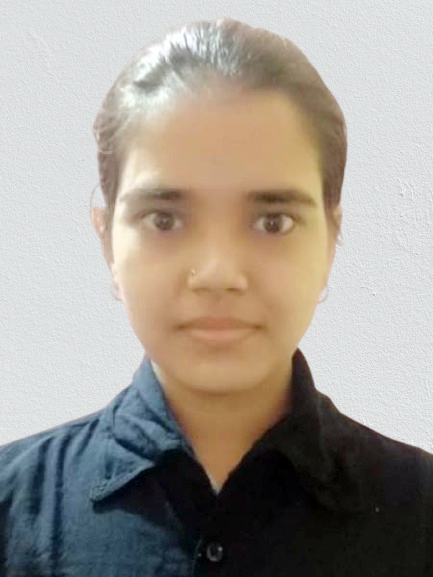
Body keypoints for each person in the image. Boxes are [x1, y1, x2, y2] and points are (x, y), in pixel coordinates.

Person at [1, 17, 432, 576]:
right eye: (164, 219)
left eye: (272, 221)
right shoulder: (13, 509)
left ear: (331, 239)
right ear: (107, 240)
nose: (218, 273)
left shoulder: (419, 514)